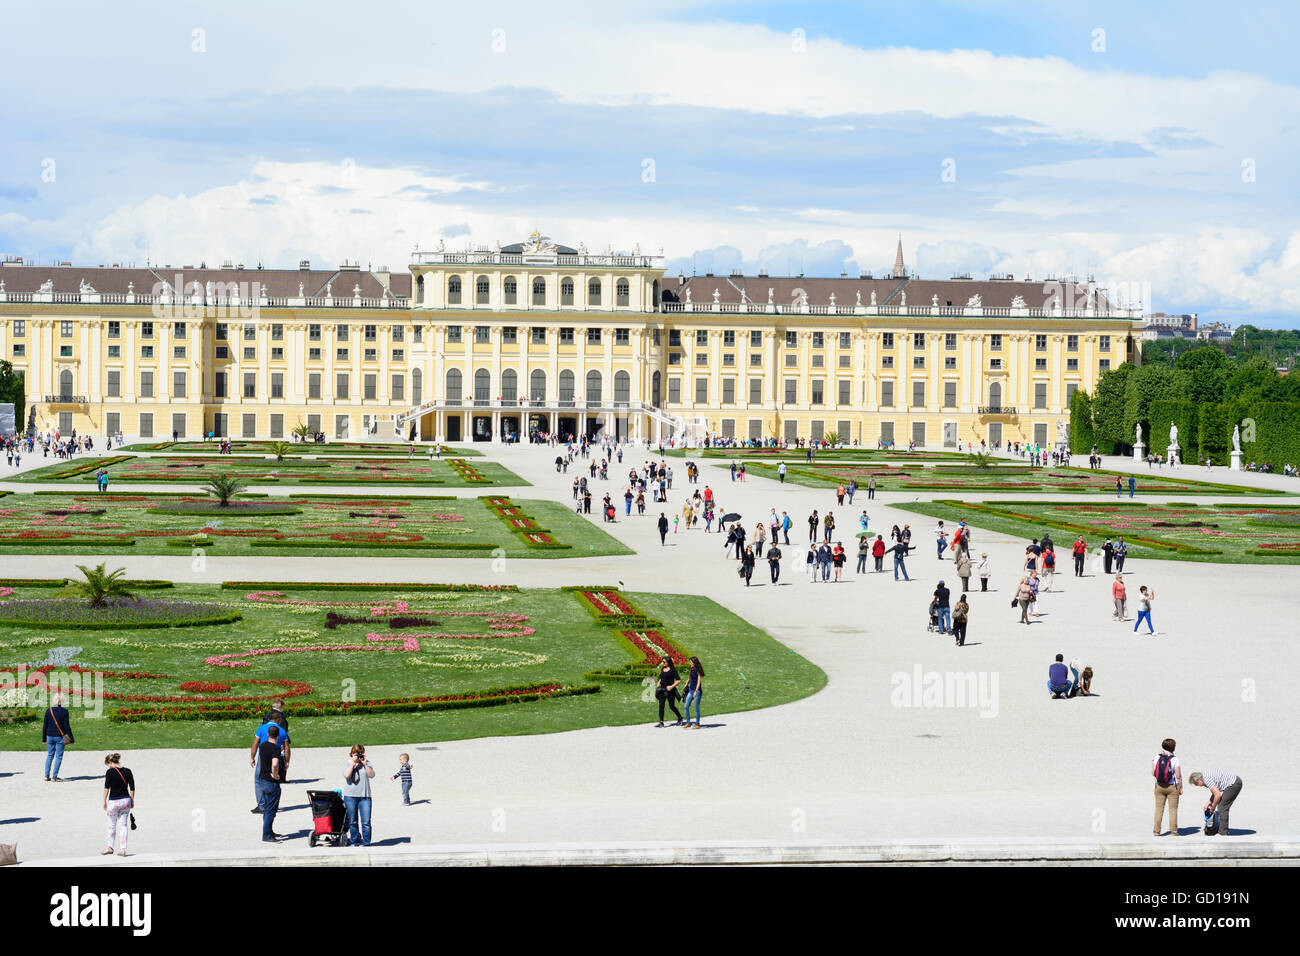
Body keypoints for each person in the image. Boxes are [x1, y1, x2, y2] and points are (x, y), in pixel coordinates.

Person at [341, 744, 376, 846]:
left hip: (365, 796)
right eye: (356, 754)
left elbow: (372, 775)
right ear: (352, 754)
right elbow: (346, 775)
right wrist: (352, 764)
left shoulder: (367, 763)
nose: (358, 757)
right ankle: (355, 841)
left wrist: (365, 764)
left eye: (361, 754)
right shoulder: (347, 763)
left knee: (366, 822)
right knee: (353, 821)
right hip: (350, 796)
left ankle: (366, 842)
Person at [101, 753, 136, 856]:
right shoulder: (128, 771)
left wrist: (104, 800)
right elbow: (132, 787)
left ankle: (110, 847)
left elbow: (106, 787)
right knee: (123, 825)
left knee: (111, 825)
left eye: (108, 765)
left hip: (114, 802)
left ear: (110, 762)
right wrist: (132, 800)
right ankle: (123, 849)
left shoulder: (110, 772)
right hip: (126, 800)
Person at [1189, 770, 1242, 836]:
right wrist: (1208, 803)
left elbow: (1218, 795)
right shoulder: (1205, 777)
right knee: (1221, 806)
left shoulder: (1206, 779)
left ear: (1198, 780)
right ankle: (1223, 830)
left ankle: (1222, 833)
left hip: (1234, 784)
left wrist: (1213, 807)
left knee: (1222, 807)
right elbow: (1215, 793)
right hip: (1234, 782)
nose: (1197, 786)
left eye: (1196, 784)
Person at [256, 726, 285, 842]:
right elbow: (275, 764)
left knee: (267, 807)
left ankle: (269, 831)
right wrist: (275, 774)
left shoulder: (262, 746)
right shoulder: (276, 749)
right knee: (271, 809)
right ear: (278, 736)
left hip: (262, 780)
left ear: (268, 734)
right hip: (271, 781)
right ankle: (267, 835)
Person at [1152, 738, 1183, 837]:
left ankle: (1156, 832)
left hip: (1159, 786)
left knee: (1158, 809)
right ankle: (1173, 832)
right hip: (1172, 787)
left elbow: (1153, 773)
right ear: (1173, 747)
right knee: (1173, 810)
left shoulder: (1156, 757)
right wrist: (1181, 787)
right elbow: (1178, 776)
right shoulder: (1175, 759)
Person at [42, 691, 74, 782]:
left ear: (54, 700)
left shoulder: (49, 710)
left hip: (49, 736)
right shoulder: (64, 711)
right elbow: (67, 726)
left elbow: (45, 725)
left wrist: (44, 738)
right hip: (60, 737)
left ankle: (46, 776)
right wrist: (71, 738)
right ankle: (54, 777)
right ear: (62, 701)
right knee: (58, 756)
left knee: (49, 755)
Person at [655, 656, 683, 727]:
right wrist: (659, 682)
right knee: (661, 705)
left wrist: (671, 686)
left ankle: (680, 717)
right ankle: (661, 722)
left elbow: (678, 680)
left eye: (664, 662)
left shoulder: (673, 670)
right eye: (662, 662)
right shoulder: (663, 669)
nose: (663, 663)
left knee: (672, 706)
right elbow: (661, 678)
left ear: (668, 662)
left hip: (670, 691)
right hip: (662, 690)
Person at [681, 657, 704, 729]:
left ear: (694, 663)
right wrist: (686, 685)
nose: (690, 663)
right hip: (690, 690)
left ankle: (697, 724)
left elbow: (699, 681)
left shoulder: (698, 670)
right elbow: (689, 678)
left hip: (697, 691)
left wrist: (696, 691)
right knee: (686, 706)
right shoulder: (691, 669)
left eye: (691, 662)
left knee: (696, 708)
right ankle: (688, 722)